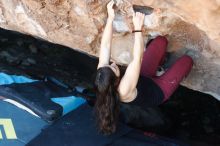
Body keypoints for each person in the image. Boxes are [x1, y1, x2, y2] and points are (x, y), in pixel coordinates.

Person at [94, 0, 193, 135]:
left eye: (109, 64)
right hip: (157, 92)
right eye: (114, 68)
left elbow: (105, 46)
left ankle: (161, 64)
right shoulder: (123, 89)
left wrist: (110, 18)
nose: (112, 64)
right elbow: (137, 58)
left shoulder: (104, 75)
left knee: (161, 41)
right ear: (116, 81)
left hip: (143, 78)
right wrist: (138, 28)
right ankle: (167, 74)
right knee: (187, 61)